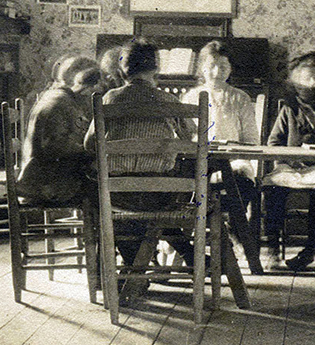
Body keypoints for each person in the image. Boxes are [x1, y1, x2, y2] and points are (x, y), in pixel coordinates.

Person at [84, 39, 197, 268]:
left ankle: (134, 266)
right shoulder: (170, 101)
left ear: (122, 70)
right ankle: (171, 257)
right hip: (161, 193)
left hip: (118, 193)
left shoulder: (109, 99)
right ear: (156, 68)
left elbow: (89, 144)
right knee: (164, 199)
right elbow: (190, 139)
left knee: (100, 194)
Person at [182, 40, 263, 274]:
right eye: (212, 66)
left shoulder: (240, 98)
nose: (217, 72)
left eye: (224, 67)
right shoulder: (190, 97)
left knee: (240, 180)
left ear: (231, 69)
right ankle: (205, 240)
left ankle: (232, 233)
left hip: (234, 160)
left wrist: (231, 147)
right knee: (190, 181)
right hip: (200, 162)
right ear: (202, 68)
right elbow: (184, 137)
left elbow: (252, 140)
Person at [264, 51, 315, 271]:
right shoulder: (289, 110)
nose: (311, 84)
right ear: (295, 84)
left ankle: (311, 249)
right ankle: (273, 248)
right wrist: (287, 159)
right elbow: (273, 142)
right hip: (291, 166)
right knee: (273, 187)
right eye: (305, 79)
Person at [17, 55, 101, 204]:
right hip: (48, 186)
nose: (96, 88)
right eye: (93, 82)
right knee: (107, 190)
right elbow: (56, 147)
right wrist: (92, 151)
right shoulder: (61, 103)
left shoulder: (56, 96)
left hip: (43, 180)